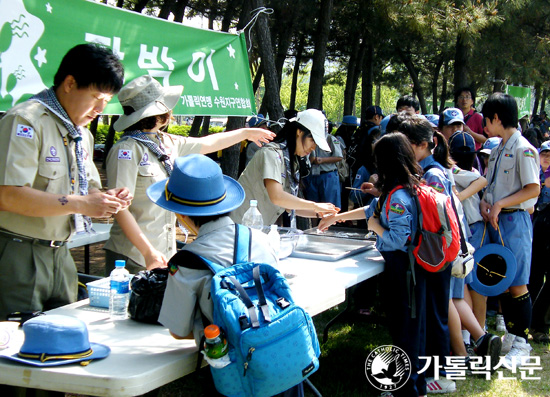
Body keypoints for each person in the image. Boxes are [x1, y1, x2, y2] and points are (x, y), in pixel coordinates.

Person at [149, 154, 303, 397]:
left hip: (237, 373)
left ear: (180, 215)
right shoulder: (259, 238)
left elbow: (178, 331)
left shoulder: (187, 262)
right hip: (281, 356)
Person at [0, 43, 131, 320]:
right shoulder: (26, 120)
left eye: (106, 102)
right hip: (17, 253)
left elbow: (88, 189)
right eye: (96, 97)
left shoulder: (81, 133)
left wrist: (109, 198)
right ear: (70, 83)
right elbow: (8, 195)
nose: (99, 108)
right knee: (16, 345)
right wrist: (82, 203)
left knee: (62, 341)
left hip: (60, 253)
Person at [104, 75, 275, 275]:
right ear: (159, 115)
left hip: (162, 253)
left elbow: (209, 143)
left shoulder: (165, 143)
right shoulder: (126, 150)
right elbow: (120, 208)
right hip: (131, 257)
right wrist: (147, 251)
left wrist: (246, 133)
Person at [480, 93, 540, 366]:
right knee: (503, 282)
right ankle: (513, 336)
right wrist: (486, 202)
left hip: (514, 221)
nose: (484, 126)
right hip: (495, 220)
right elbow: (490, 186)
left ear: (496, 118)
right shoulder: (497, 149)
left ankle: (522, 344)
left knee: (518, 284)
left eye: (486, 119)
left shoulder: (524, 149)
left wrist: (501, 203)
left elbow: (533, 188)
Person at [230, 109, 339, 227]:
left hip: (255, 228)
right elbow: (277, 196)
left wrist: (320, 213)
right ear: (299, 132)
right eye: (312, 140)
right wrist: (315, 206)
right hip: (238, 226)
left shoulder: (291, 161)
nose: (313, 148)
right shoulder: (272, 154)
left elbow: (289, 206)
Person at [529, 140, 550, 344]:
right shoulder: (532, 174)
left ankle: (540, 324)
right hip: (535, 229)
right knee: (534, 276)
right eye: (545, 154)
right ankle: (531, 322)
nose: (547, 159)